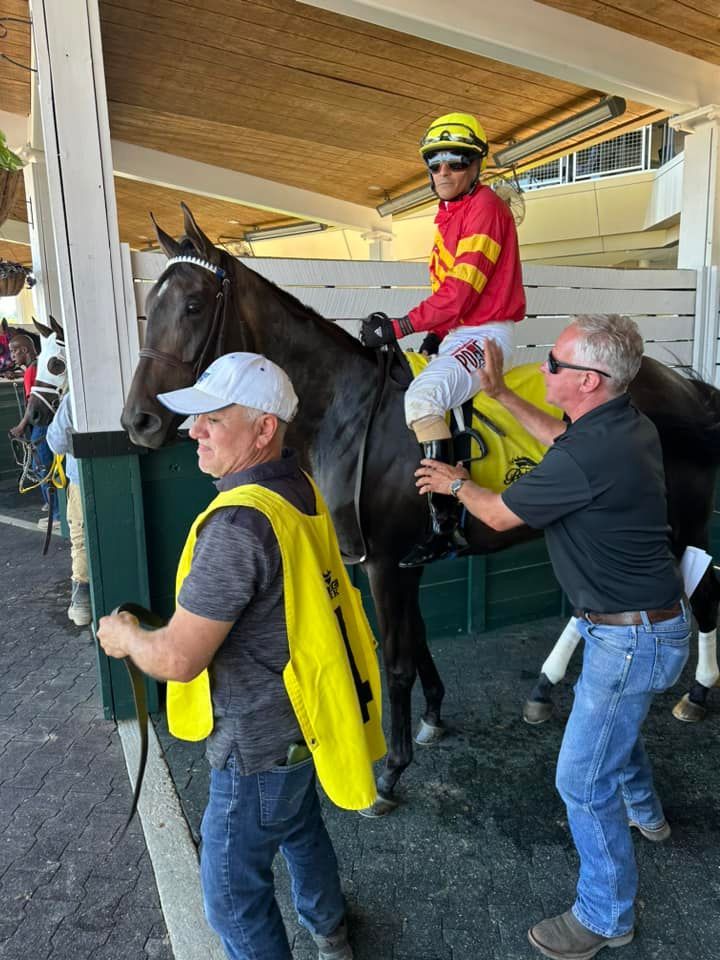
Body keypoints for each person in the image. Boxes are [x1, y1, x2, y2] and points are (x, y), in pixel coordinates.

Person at [415, 314, 689, 960]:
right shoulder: (624, 425)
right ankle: (648, 815)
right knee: (614, 733)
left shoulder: (595, 453)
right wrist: (501, 395)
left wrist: (454, 481)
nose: (544, 371)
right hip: (644, 629)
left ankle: (605, 915)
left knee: (581, 781)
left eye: (556, 366)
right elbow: (561, 441)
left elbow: (499, 512)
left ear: (589, 380)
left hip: (630, 639)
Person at [97, 352, 385, 960]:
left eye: (212, 418)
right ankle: (330, 926)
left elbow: (178, 659)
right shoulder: (297, 485)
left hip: (257, 743)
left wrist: (125, 638)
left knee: (230, 894)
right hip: (305, 726)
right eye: (194, 417)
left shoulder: (238, 526)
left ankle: (329, 928)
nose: (193, 430)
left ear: (264, 429)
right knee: (299, 824)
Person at [360, 111, 526, 567]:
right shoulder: (451, 214)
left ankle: (445, 521)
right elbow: (450, 295)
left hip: (486, 335)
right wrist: (432, 335)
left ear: (475, 165)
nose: (444, 172)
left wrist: (399, 327)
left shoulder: (486, 208)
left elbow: (461, 292)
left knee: (425, 397)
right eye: (435, 164)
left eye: (456, 161)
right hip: (459, 334)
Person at [47, 393, 91, 626]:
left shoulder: (75, 396)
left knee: (80, 540)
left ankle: (82, 600)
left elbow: (57, 442)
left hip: (81, 479)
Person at [8, 333, 60, 524]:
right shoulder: (35, 368)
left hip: (40, 426)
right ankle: (52, 507)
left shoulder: (32, 372)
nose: (12, 355)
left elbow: (32, 403)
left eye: (14, 351)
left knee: (42, 467)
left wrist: (21, 426)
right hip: (45, 425)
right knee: (42, 467)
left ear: (24, 350)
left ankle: (57, 514)